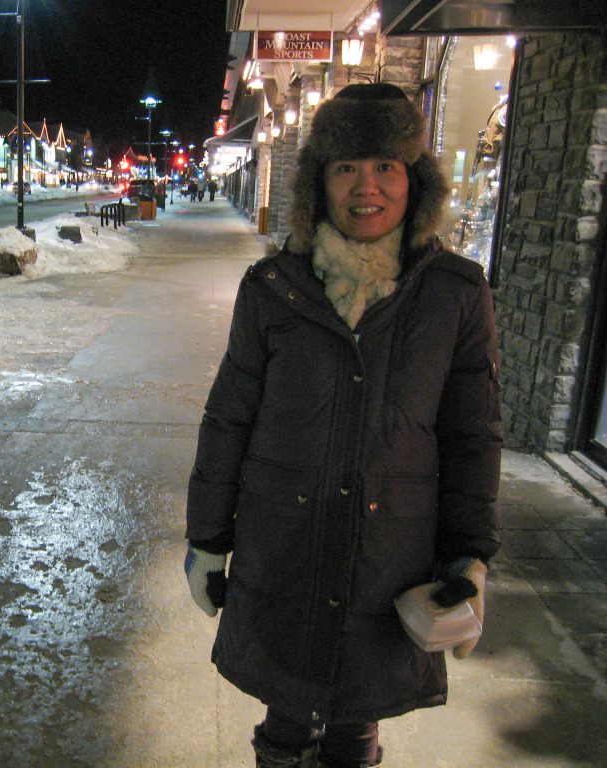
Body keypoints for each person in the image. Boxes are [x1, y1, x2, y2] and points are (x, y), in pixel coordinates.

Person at [184, 83, 502, 768]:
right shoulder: (272, 288)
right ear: (318, 182)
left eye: (386, 166)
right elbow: (229, 419)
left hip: (391, 552)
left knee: (357, 717)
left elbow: (471, 437)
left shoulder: (454, 292)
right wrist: (207, 538)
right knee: (286, 708)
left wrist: (470, 557)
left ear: (415, 179)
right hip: (285, 542)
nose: (367, 187)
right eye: (346, 167)